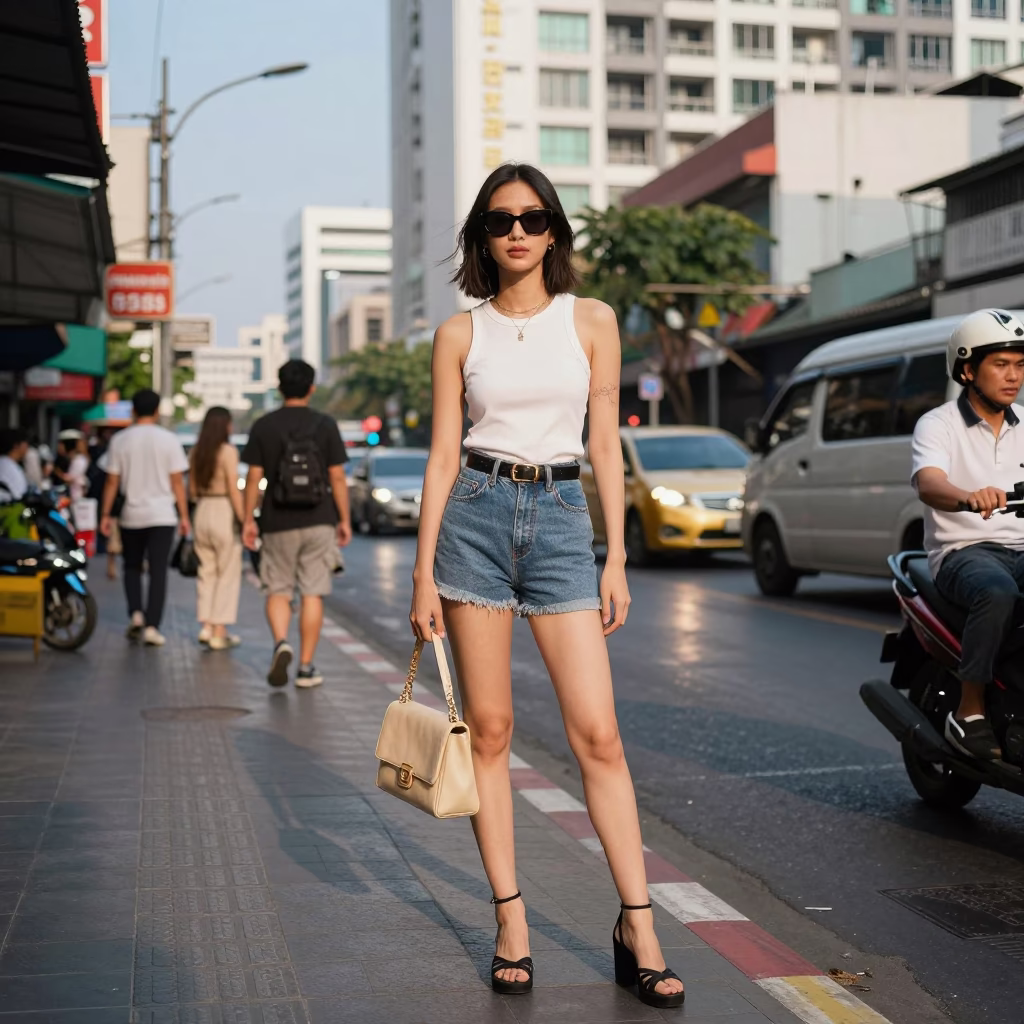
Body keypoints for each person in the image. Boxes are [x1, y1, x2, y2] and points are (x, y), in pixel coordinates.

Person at [408, 163, 685, 1008]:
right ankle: (512, 921)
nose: (517, 231)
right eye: (500, 221)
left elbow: (606, 444)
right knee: (489, 730)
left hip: (564, 520)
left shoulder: (592, 320)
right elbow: (444, 456)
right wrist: (423, 573)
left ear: (555, 231)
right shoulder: (461, 335)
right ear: (481, 238)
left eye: (532, 218)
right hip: (477, 520)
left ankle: (638, 924)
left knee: (597, 734)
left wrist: (615, 552)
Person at [913, 308, 1024, 761]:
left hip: (1020, 546)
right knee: (997, 593)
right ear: (967, 369)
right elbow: (929, 483)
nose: (1013, 376)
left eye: (1019, 364)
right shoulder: (938, 424)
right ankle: (970, 710)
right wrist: (966, 497)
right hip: (963, 552)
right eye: (1000, 364)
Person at [242, 359, 351, 688]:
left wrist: (248, 519)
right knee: (313, 593)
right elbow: (337, 476)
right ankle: (306, 667)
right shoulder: (326, 424)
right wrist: (344, 519)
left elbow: (253, 477)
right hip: (319, 519)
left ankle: (281, 642)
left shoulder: (264, 425)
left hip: (277, 521)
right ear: (311, 388)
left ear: (279, 387)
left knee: (277, 589)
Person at [99, 389, 190, 646]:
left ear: (133, 411)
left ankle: (136, 614)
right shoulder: (169, 440)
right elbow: (177, 482)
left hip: (131, 514)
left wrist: (105, 514)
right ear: (158, 410)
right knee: (158, 571)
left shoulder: (120, 440)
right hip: (163, 515)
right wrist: (184, 516)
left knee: (132, 566)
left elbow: (111, 481)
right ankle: (152, 626)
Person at [189, 406, 244, 650]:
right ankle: (219, 630)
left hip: (202, 510)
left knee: (206, 570)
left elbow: (191, 490)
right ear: (225, 426)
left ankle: (206, 625)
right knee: (228, 572)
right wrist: (245, 519)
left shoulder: (196, 452)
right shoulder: (228, 452)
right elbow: (234, 488)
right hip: (223, 509)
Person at [0, 428, 29, 501]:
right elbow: (19, 496)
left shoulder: (7, 463)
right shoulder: (8, 467)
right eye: (25, 443)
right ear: (16, 446)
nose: (27, 447)